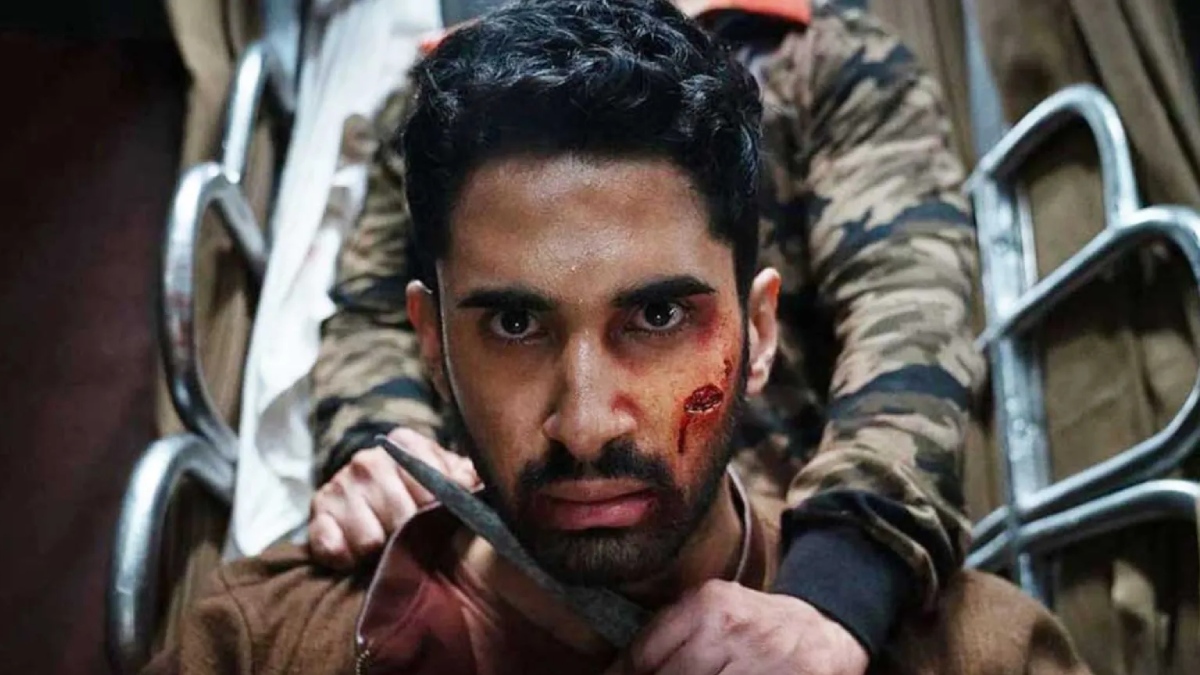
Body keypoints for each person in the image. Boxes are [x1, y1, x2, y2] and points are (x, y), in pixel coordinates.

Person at [147, 3, 1087, 673]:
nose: (589, 419)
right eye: (515, 320)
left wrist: (834, 586)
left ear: (757, 328)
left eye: (659, 313)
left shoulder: (821, 62)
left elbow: (910, 308)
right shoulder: (453, 99)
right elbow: (370, 312)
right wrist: (391, 458)